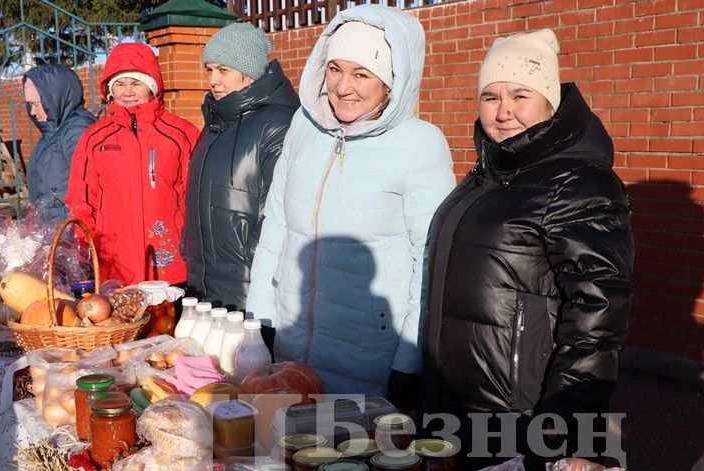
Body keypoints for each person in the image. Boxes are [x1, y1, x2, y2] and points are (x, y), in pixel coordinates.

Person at [420, 29, 634, 471]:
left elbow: (598, 311)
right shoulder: (488, 176)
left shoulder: (578, 184)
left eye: (520, 95)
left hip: (520, 417)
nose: (503, 112)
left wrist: (567, 427)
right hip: (458, 403)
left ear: (551, 104)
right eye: (490, 97)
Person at [246, 5, 456, 398]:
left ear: (391, 81)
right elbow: (276, 225)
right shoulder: (303, 128)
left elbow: (428, 262)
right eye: (335, 69)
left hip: (371, 362)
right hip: (292, 350)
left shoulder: (420, 144)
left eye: (361, 74)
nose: (343, 87)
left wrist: (409, 360)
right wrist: (261, 320)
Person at [183, 22, 299, 310]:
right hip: (204, 286)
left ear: (250, 73)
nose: (213, 80)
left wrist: (254, 268)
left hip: (250, 291)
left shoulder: (278, 124)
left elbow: (284, 211)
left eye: (224, 70)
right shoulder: (215, 123)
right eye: (209, 70)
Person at [66, 43, 200, 286]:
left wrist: (188, 242)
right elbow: (82, 198)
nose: (128, 92)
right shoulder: (95, 139)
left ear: (152, 87)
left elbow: (194, 197)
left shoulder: (181, 134)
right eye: (120, 84)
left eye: (136, 83)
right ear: (109, 90)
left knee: (170, 323)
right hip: (115, 265)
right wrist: (86, 245)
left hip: (170, 261)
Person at [22, 64, 96, 218]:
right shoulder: (52, 132)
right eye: (30, 105)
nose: (33, 112)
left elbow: (90, 191)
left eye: (36, 104)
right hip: (52, 229)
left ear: (54, 99)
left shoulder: (78, 130)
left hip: (71, 230)